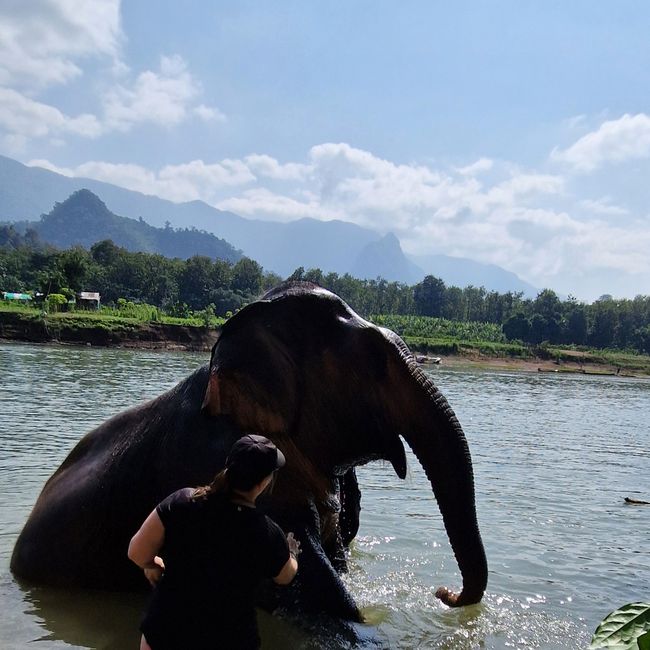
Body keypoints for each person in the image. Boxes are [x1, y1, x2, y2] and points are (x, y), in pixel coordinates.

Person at [128, 434, 300, 650]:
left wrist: (151, 564)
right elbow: (285, 577)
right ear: (264, 482)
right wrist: (292, 552)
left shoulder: (183, 501)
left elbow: (136, 552)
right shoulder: (266, 532)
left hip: (165, 633)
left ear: (228, 465)